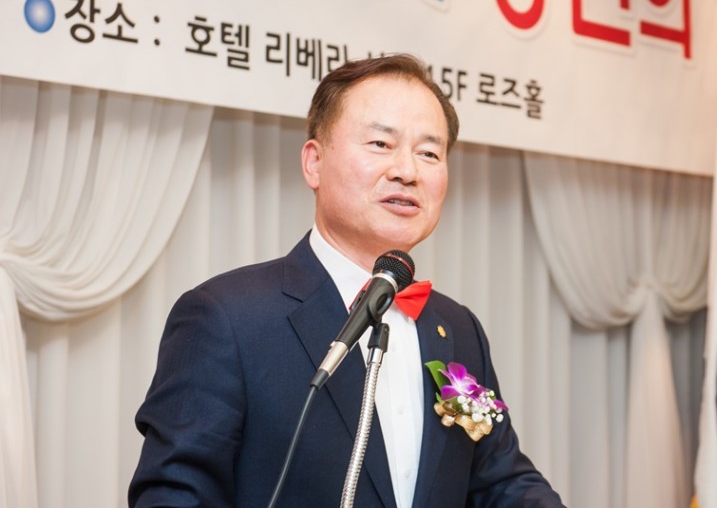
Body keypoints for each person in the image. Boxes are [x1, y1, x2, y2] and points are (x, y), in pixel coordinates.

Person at [129, 53, 565, 507]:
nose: (407, 171)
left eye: (429, 153)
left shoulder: (458, 328)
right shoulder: (227, 318)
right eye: (380, 143)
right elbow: (176, 495)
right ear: (314, 163)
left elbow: (501, 482)